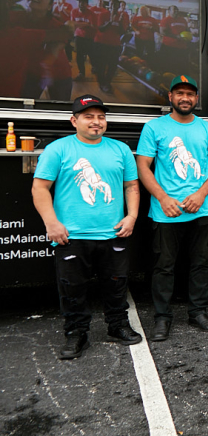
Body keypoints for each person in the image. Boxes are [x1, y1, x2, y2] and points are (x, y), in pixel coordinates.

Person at [31, 95, 141, 359]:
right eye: (89, 116)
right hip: (71, 235)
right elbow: (40, 188)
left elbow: (131, 186)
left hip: (112, 232)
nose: (96, 122)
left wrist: (132, 216)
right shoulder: (58, 149)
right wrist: (51, 223)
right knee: (72, 288)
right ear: (74, 120)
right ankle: (76, 334)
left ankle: (117, 326)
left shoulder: (120, 150)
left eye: (101, 117)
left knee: (116, 285)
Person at [136, 75, 208, 341]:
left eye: (190, 94)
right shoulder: (154, 128)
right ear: (170, 97)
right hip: (166, 212)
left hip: (202, 209)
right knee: (164, 267)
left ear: (196, 99)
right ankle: (162, 318)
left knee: (200, 265)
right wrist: (163, 199)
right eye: (179, 93)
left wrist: (201, 194)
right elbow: (143, 166)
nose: (185, 98)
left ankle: (198, 311)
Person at [93, 0, 128, 93]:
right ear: (109, 5)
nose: (113, 6)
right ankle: (102, 84)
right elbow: (101, 29)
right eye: (111, 4)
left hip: (115, 45)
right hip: (101, 44)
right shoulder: (103, 14)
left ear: (118, 6)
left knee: (112, 66)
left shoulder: (121, 17)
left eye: (115, 4)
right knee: (101, 66)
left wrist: (120, 23)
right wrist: (110, 21)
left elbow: (121, 32)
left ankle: (107, 83)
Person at [70, 0, 97, 81]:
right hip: (79, 36)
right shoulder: (74, 11)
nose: (80, 4)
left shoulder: (92, 14)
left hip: (89, 37)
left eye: (83, 2)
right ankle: (81, 73)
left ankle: (94, 66)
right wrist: (86, 24)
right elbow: (73, 24)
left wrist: (80, 24)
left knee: (92, 55)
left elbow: (93, 26)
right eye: (79, 2)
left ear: (86, 4)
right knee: (79, 55)